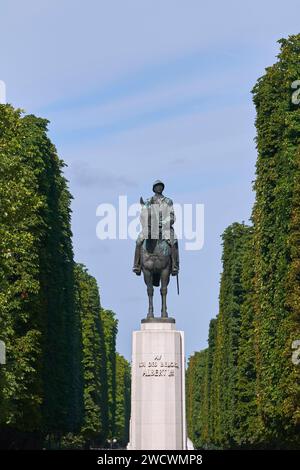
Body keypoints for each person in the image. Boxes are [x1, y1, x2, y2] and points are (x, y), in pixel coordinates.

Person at [132, 179, 179, 276]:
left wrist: (165, 222)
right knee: (138, 241)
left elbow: (172, 216)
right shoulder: (149, 201)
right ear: (154, 189)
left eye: (160, 186)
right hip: (151, 227)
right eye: (157, 186)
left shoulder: (168, 201)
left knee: (174, 240)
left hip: (164, 227)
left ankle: (175, 265)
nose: (159, 188)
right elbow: (144, 213)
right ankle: (137, 265)